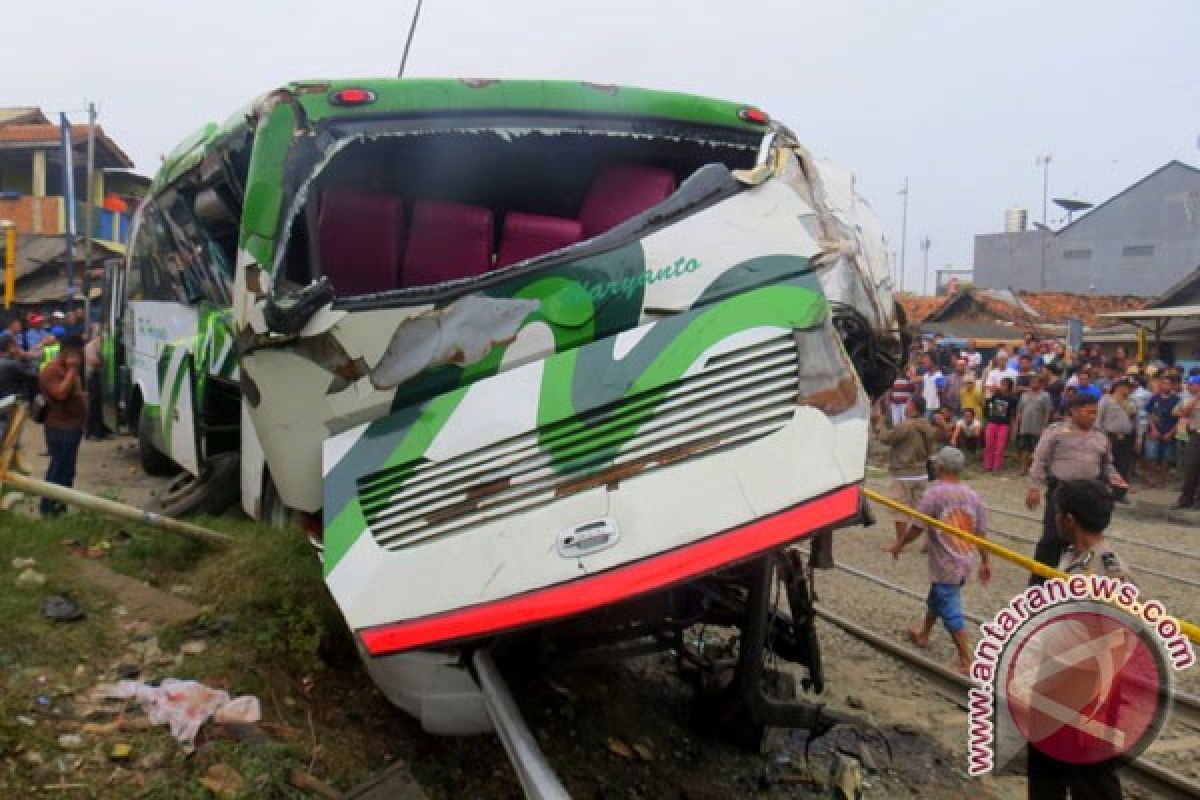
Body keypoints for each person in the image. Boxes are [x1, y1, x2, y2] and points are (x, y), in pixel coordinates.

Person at [1023, 478, 1131, 800]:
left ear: (1068, 519)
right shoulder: (1071, 557)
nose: (1054, 518)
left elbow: (1119, 641)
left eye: (1057, 512)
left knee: (1092, 782)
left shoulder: (1109, 572)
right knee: (1045, 778)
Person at [883, 447, 991, 674]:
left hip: (945, 564)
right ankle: (924, 634)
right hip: (963, 560)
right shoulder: (973, 495)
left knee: (949, 608)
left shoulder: (935, 494)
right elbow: (981, 533)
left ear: (939, 467)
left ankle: (966, 659)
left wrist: (899, 544)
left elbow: (917, 527)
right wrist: (985, 561)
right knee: (937, 597)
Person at [1025, 393, 1126, 583]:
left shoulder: (1100, 436)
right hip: (1062, 491)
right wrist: (1034, 488)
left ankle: (1077, 579)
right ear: (1074, 412)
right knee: (1052, 539)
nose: (1092, 416)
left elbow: (1107, 464)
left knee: (1087, 538)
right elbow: (1039, 460)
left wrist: (1115, 478)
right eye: (1088, 412)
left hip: (1090, 493)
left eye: (1095, 413)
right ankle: (1038, 585)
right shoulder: (1056, 432)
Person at [872, 395, 935, 541]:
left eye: (908, 404)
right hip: (921, 472)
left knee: (899, 509)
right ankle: (931, 540)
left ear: (913, 406)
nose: (906, 407)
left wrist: (880, 421)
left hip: (904, 472)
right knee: (921, 510)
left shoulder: (907, 425)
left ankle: (901, 541)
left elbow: (886, 438)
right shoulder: (926, 425)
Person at [37, 334, 87, 518]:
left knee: (67, 470)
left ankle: (60, 508)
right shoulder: (52, 370)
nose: (79, 359)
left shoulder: (65, 369)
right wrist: (72, 370)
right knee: (58, 470)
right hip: (60, 428)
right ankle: (49, 510)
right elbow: (60, 393)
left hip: (72, 427)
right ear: (68, 352)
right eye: (77, 354)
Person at [1096, 379, 1136, 495]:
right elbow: (1098, 420)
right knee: (1109, 465)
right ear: (1120, 387)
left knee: (1124, 465)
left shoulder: (1130, 401)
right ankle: (1104, 491)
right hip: (1111, 436)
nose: (1130, 390)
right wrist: (1101, 436)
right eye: (1128, 387)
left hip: (1127, 437)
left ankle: (1120, 493)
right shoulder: (1106, 399)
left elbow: (1133, 417)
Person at [1145, 376, 1180, 487]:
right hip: (1154, 432)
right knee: (1151, 456)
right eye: (1163, 383)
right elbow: (1149, 414)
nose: (1165, 386)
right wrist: (1154, 429)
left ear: (1172, 385)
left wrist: (1171, 433)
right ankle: (1152, 478)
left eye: (1168, 383)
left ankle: (1163, 479)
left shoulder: (1176, 400)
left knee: (1166, 457)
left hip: (1169, 432)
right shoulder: (1154, 398)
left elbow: (1180, 419)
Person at [1014, 376, 1053, 476]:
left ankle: (1034, 469)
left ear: (1040, 384)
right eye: (1032, 382)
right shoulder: (1024, 395)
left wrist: (1045, 426)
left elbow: (1047, 412)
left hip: (1038, 426)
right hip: (1024, 426)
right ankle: (1023, 468)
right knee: (1024, 448)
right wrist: (1017, 425)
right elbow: (1019, 411)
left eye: (1036, 383)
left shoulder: (1045, 395)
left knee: (1037, 449)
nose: (1034, 384)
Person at [1173, 375, 1200, 509]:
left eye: (1192, 384)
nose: (1189, 387)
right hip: (1194, 436)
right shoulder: (1187, 399)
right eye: (1188, 384)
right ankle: (1185, 499)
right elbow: (1178, 412)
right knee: (1191, 468)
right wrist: (1196, 399)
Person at [983, 377, 1018, 472]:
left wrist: (1013, 427)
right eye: (1001, 384)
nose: (1002, 386)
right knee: (989, 445)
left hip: (1004, 424)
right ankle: (988, 465)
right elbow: (987, 406)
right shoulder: (995, 396)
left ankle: (997, 467)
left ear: (1009, 386)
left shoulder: (1013, 398)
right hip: (992, 422)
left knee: (1000, 446)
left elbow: (1013, 414)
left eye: (1004, 384)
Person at [919, 354, 945, 419]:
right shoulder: (926, 375)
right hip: (924, 406)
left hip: (933, 408)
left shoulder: (939, 376)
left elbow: (941, 392)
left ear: (933, 361)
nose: (924, 361)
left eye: (926, 359)